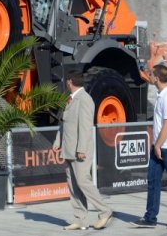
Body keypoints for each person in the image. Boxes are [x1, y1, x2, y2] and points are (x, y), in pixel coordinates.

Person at [53, 71, 113, 230]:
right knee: (73, 184)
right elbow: (65, 123)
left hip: (80, 150)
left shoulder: (85, 99)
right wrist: (57, 141)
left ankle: (104, 211)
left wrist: (81, 149)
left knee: (82, 181)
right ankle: (80, 219)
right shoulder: (71, 99)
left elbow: (85, 127)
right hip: (68, 148)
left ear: (69, 82)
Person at [132, 64, 167, 229]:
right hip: (160, 146)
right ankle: (150, 217)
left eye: (151, 74)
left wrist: (158, 145)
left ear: (156, 78)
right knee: (153, 181)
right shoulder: (161, 95)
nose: (149, 76)